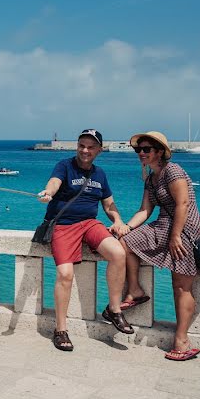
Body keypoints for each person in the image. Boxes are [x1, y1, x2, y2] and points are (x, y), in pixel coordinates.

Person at [37, 129, 133, 351]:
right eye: (82, 145)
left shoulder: (100, 174)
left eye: (91, 146)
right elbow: (54, 183)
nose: (85, 150)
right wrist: (48, 193)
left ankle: (114, 310)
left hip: (89, 224)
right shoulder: (64, 166)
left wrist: (117, 219)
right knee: (65, 274)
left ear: (99, 150)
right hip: (64, 225)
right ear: (76, 146)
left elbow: (108, 205)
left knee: (118, 253)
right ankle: (60, 330)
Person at [118, 131, 200, 361]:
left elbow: (183, 203)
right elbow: (145, 211)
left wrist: (176, 236)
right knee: (125, 242)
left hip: (186, 230)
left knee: (181, 286)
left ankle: (182, 341)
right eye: (138, 150)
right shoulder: (151, 178)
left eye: (146, 149)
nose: (141, 153)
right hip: (164, 226)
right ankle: (136, 290)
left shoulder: (173, 170)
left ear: (160, 152)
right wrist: (126, 227)